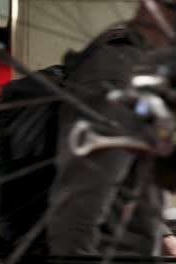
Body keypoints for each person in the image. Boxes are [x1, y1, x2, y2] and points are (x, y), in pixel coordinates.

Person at [48, 0, 176, 256]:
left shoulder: (140, 68)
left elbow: (129, 176)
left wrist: (164, 236)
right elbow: (78, 208)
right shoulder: (118, 72)